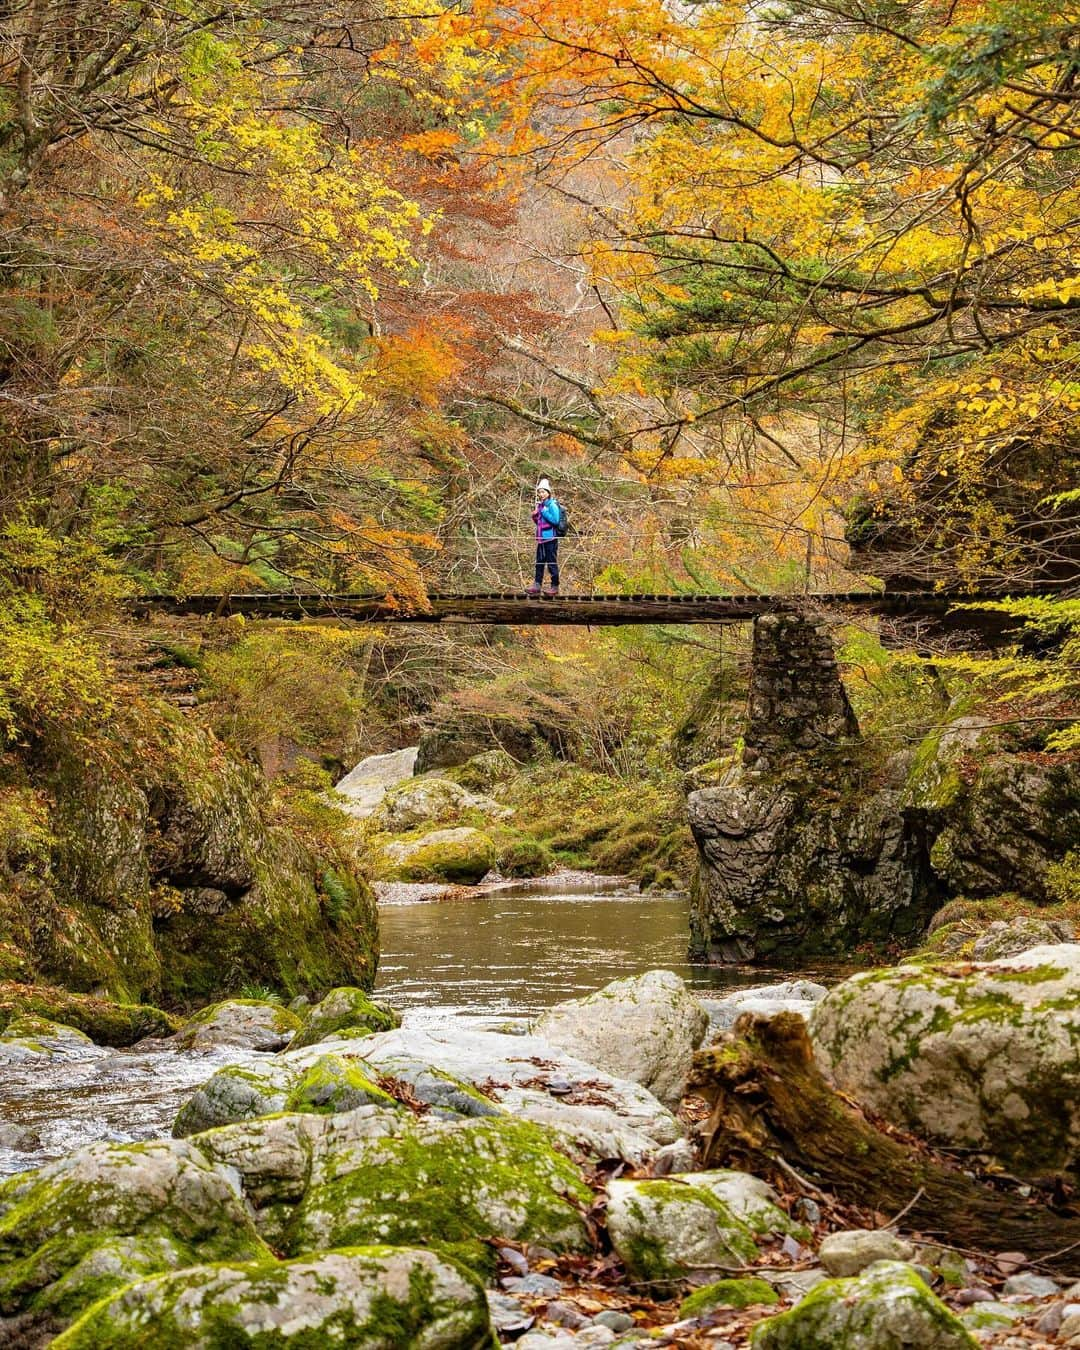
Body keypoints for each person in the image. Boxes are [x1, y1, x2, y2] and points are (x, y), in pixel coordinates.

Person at [527, 477, 561, 596]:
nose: (541, 494)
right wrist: (535, 516)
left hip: (550, 538)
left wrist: (545, 512)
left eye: (543, 492)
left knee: (551, 562)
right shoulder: (540, 506)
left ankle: (554, 587)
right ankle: (537, 585)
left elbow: (555, 520)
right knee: (539, 562)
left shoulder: (552, 505)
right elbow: (540, 523)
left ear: (548, 492)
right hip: (541, 539)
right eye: (539, 492)